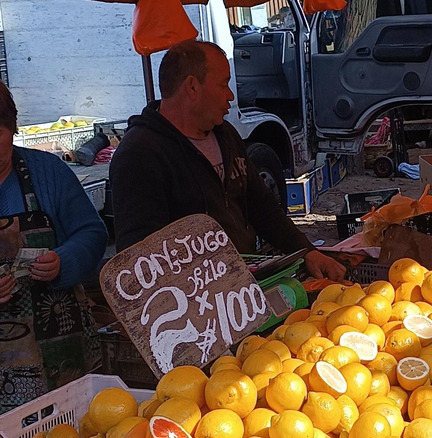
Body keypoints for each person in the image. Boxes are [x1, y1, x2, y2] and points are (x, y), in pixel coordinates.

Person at [109, 40, 346, 281]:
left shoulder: (226, 134)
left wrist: (306, 251)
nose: (231, 95)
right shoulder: (139, 154)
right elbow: (139, 259)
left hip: (244, 290)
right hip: (193, 306)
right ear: (192, 87)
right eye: (223, 84)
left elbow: (262, 208)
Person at [0, 82, 108, 413]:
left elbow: (91, 232)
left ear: (13, 128)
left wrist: (65, 260)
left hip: (64, 358)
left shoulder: (48, 173)